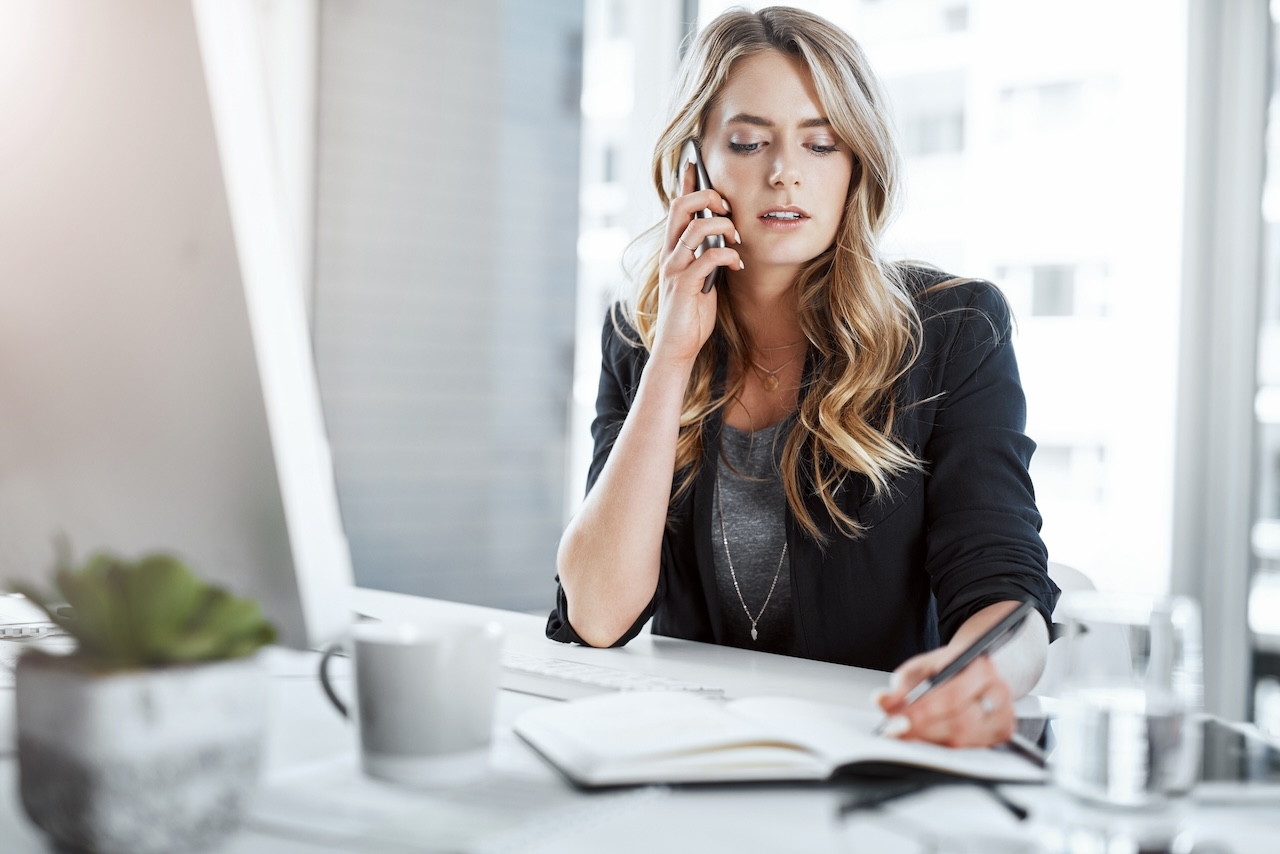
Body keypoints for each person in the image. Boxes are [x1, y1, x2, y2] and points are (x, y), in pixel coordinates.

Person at [547, 6, 1058, 749]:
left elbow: (1004, 583)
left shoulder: (954, 330)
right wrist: (673, 358)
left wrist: (981, 675)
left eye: (820, 144)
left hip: (875, 750)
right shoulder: (640, 338)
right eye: (749, 142)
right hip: (695, 755)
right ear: (695, 164)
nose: (784, 170)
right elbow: (595, 616)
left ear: (856, 165)